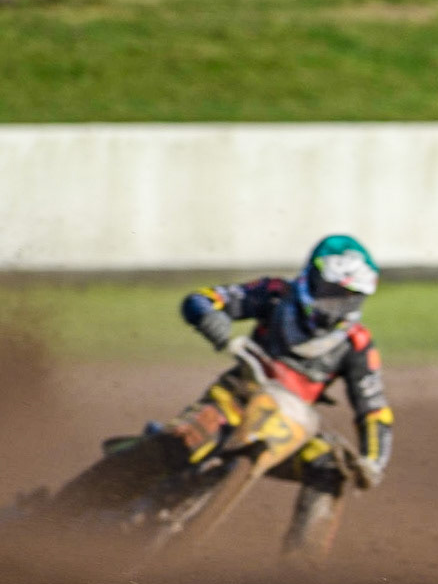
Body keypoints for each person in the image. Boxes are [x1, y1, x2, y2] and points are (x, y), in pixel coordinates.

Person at [52, 234, 393, 555]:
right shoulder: (276, 294)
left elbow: (374, 409)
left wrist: (373, 461)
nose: (336, 305)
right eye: (331, 291)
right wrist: (213, 322)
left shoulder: (356, 344)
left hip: (291, 429)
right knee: (181, 441)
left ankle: (302, 572)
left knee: (331, 466)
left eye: (348, 296)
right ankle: (62, 508)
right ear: (311, 279)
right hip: (236, 400)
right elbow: (204, 299)